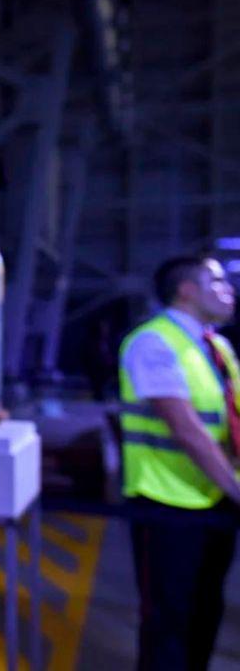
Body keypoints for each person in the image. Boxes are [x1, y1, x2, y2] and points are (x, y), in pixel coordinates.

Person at [119, 255, 240, 671]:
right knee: (168, 622)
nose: (229, 290)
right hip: (167, 504)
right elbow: (187, 429)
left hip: (214, 501)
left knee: (205, 613)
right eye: (218, 281)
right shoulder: (153, 343)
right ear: (186, 290)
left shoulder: (217, 347)